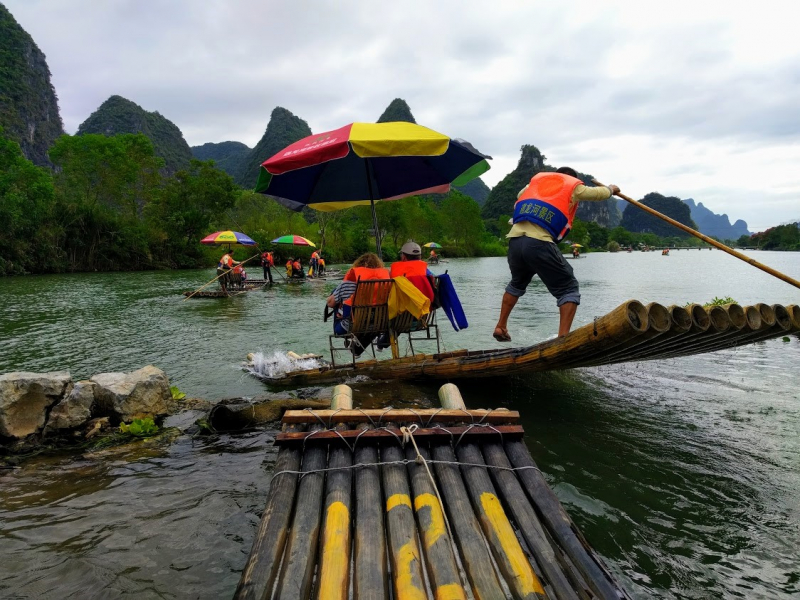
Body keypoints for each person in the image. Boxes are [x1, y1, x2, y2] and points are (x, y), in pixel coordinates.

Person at [493, 167, 620, 341]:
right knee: (569, 288)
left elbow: (520, 194)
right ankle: (563, 339)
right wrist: (611, 189)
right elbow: (596, 193)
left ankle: (500, 326)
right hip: (538, 241)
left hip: (515, 240)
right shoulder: (572, 185)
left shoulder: (536, 183)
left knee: (517, 283)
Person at [326, 253, 390, 355]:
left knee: (336, 302)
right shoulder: (386, 284)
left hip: (350, 327)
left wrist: (334, 294)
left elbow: (330, 303)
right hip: (377, 325)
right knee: (369, 324)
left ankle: (354, 344)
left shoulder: (347, 285)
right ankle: (357, 349)